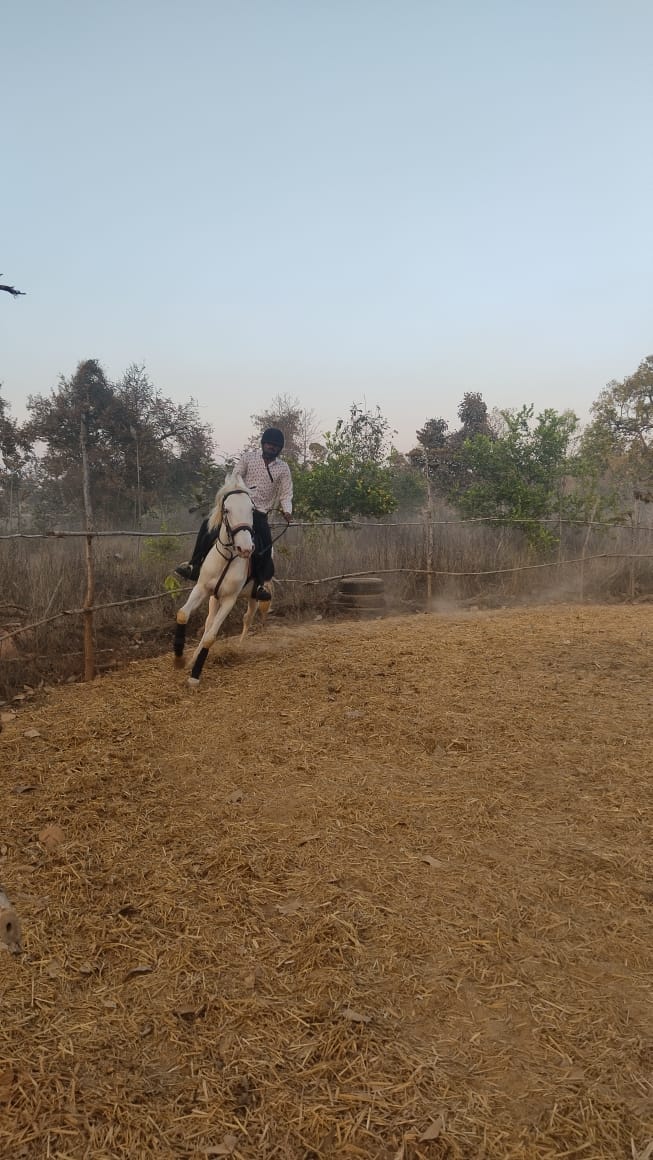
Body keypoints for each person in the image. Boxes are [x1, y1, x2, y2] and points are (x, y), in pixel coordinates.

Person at [175, 427, 293, 601]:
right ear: (263, 444)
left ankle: (260, 584)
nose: (271, 447)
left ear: (279, 449)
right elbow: (236, 474)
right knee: (208, 526)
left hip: (259, 512)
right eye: (269, 444)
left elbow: (286, 493)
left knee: (265, 545)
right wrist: (241, 492)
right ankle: (194, 565)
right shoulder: (248, 458)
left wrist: (287, 510)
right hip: (239, 507)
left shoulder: (283, 468)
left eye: (275, 445)